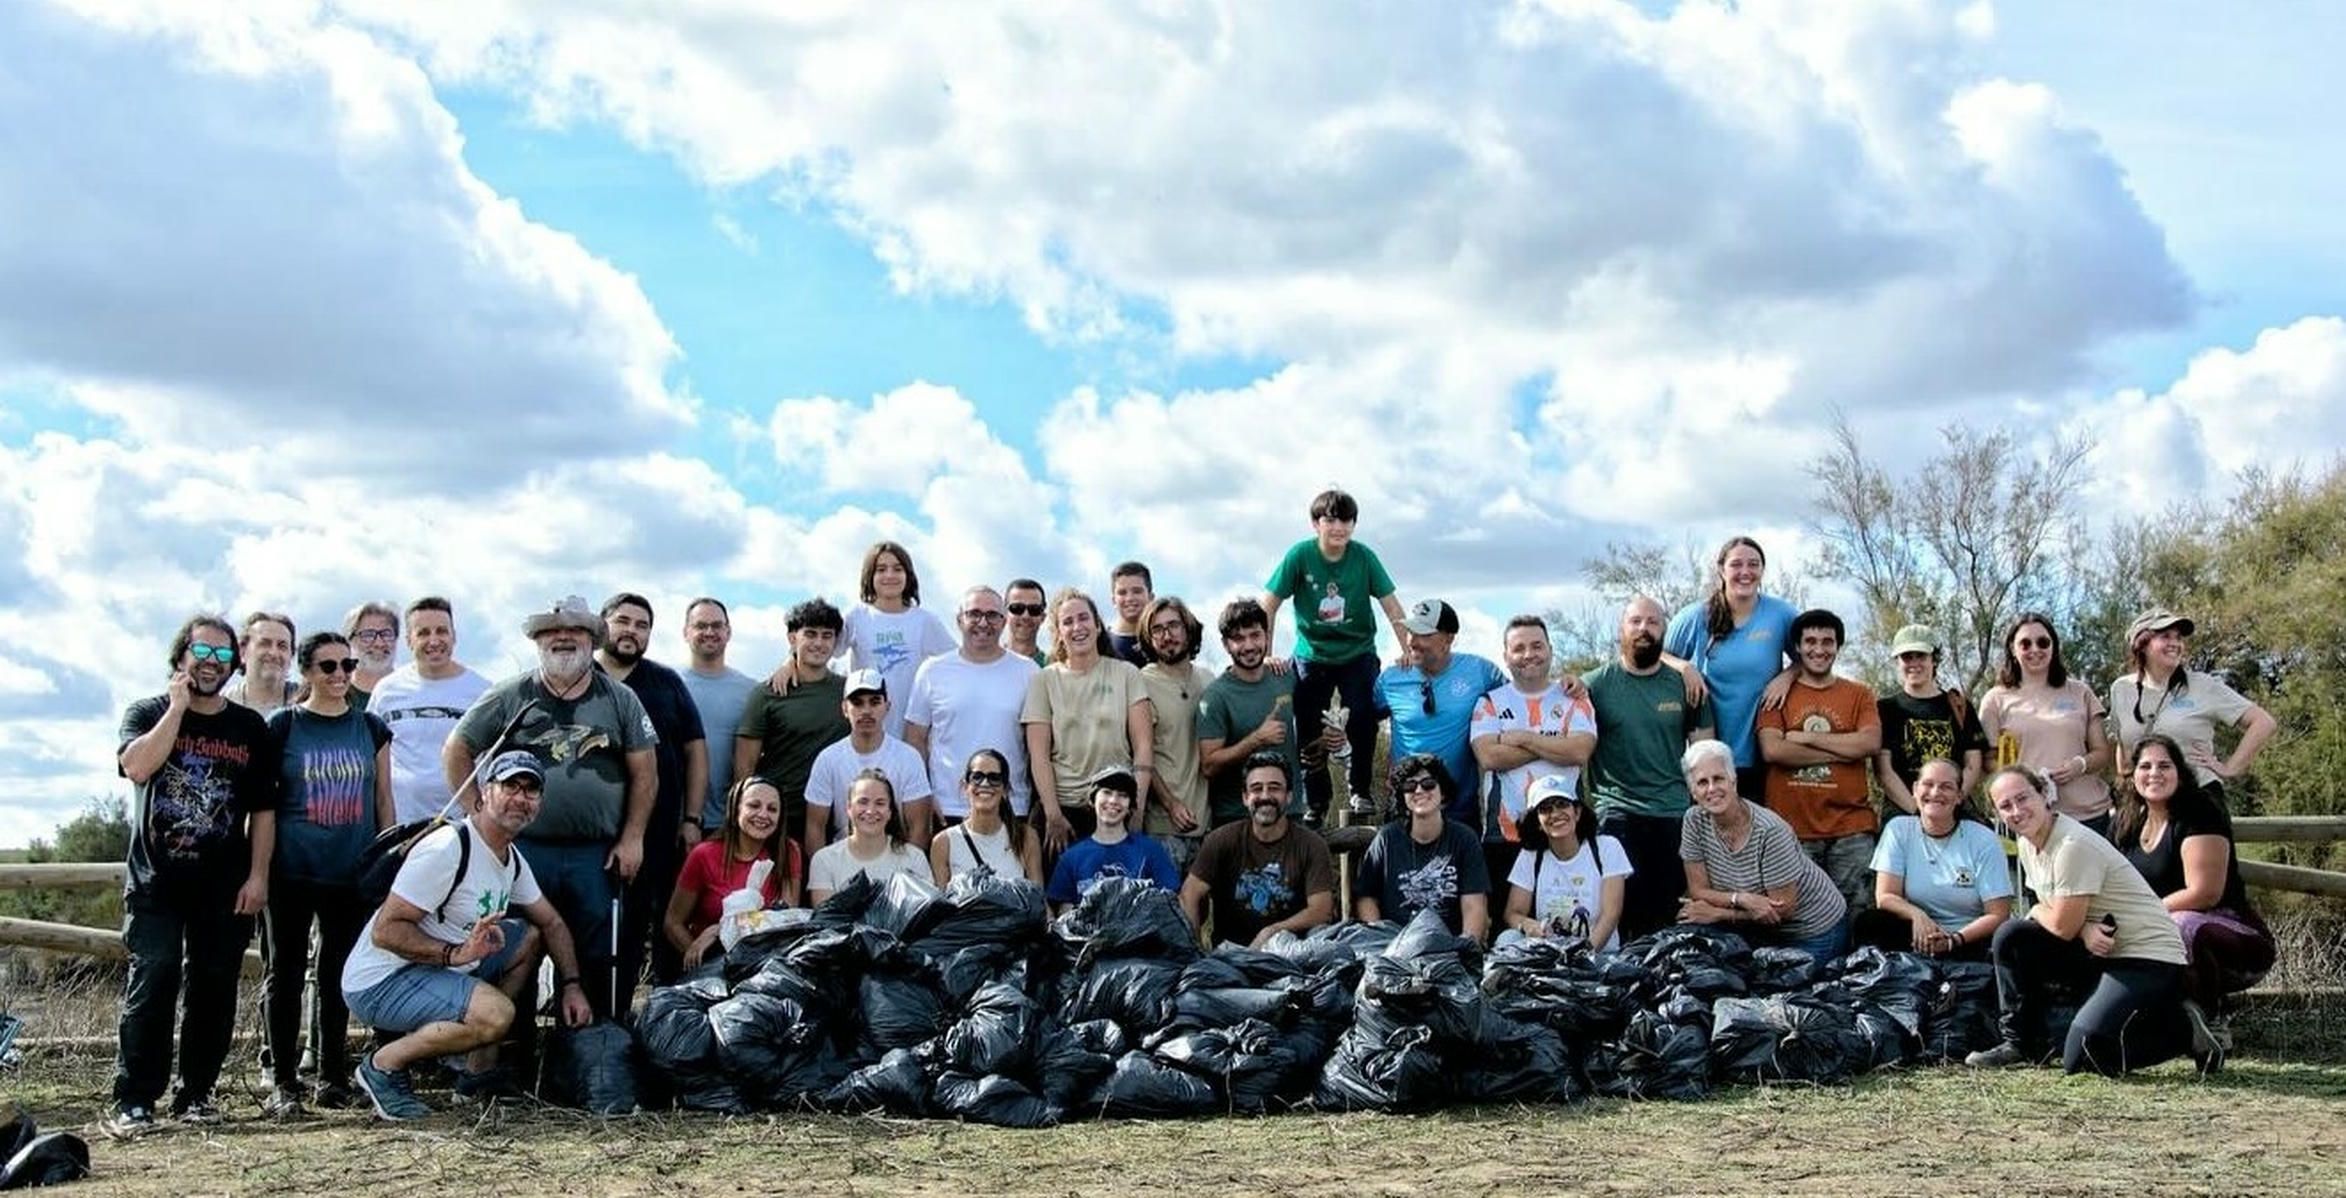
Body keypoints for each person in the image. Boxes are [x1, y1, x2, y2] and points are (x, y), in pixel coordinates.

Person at [341, 752, 595, 1120]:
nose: (520, 799)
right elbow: (386, 931)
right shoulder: (448, 848)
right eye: (510, 786)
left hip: (437, 968)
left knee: (528, 937)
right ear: (483, 793)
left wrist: (571, 984)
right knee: (496, 1015)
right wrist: (453, 954)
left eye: (531, 791)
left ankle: (477, 1075)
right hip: (380, 981)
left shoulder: (510, 858)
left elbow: (552, 923)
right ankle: (382, 1066)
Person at [444, 596, 656, 1022]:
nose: (563, 637)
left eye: (575, 630)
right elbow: (457, 750)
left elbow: (646, 772)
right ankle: (509, 1049)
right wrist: (479, 817)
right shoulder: (510, 694)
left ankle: (583, 1054)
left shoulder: (620, 698)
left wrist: (633, 837)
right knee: (513, 944)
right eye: (551, 630)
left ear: (593, 639)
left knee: (593, 949)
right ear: (538, 640)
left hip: (595, 851)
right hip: (522, 849)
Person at [106, 615, 275, 1137]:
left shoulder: (249, 728)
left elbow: (264, 811)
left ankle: (197, 1094)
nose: (211, 663)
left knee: (214, 988)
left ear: (235, 664)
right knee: (154, 978)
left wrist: (258, 877)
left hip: (224, 884)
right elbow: (137, 767)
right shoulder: (148, 712)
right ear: (181, 655)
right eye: (202, 652)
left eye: (224, 656)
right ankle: (134, 1099)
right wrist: (177, 709)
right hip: (156, 882)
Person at [1968, 765, 2218, 1076]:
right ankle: (2019, 1042)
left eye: (2023, 798)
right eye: (2005, 806)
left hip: (2145, 956)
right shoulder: (2027, 843)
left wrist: (2052, 918)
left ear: (2044, 795)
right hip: (2100, 948)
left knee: (2084, 1056)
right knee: (2011, 936)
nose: (2017, 811)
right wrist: (2082, 927)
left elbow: (2060, 925)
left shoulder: (2072, 845)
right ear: (1997, 813)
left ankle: (2183, 1030)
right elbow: (2055, 910)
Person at [261, 631, 394, 1117]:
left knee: (337, 975)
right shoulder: (283, 726)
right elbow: (265, 804)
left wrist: (387, 859)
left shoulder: (371, 728)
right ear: (307, 672)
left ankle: (332, 1076)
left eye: (347, 665)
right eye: (328, 667)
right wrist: (259, 869)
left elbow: (383, 799)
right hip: (291, 872)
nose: (340, 675)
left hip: (351, 872)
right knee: (286, 974)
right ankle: (283, 1079)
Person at [1261, 487, 1412, 821]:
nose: (1339, 527)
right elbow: (1268, 604)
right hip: (1312, 654)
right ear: (1316, 524)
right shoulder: (1300, 556)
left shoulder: (1363, 557)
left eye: (1346, 520)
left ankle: (1359, 789)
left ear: (1354, 525)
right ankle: (1316, 800)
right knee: (1308, 723)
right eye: (1331, 520)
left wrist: (1408, 648)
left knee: (1363, 715)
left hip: (1357, 651)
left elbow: (1391, 605)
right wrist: (1266, 654)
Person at [2116, 734, 2274, 1039]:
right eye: (2145, 766)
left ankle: (2212, 1021)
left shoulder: (2201, 813)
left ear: (2180, 771)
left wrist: (2140, 916)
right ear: (2132, 774)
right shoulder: (2126, 822)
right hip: (2152, 925)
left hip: (2229, 933)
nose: (2154, 774)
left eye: (2164, 765)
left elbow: (2204, 892)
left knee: (2181, 925)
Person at [1583, 595, 1718, 941]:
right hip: (1616, 812)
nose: (1644, 629)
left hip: (1673, 811)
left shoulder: (1688, 685)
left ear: (1664, 631)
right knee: (1619, 914)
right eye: (1636, 621)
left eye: (1653, 622)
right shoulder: (1594, 685)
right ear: (1621, 629)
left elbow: (1704, 752)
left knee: (1666, 916)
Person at [597, 592, 708, 998]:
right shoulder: (583, 678)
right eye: (623, 621)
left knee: (660, 923)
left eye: (642, 625)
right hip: (596, 831)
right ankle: (597, 1018)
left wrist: (691, 818)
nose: (631, 631)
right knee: (599, 929)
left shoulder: (666, 683)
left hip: (660, 832)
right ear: (602, 623)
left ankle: (665, 1015)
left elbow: (696, 751)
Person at [1755, 609, 1882, 914]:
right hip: (1792, 828)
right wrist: (1841, 750)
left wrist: (1802, 738)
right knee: (1799, 915)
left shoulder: (1859, 694)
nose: (1819, 649)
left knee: (1858, 912)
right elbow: (1773, 750)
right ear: (1797, 648)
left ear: (1838, 646)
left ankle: (1858, 965)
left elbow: (1869, 743)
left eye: (1828, 642)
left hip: (1851, 827)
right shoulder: (1777, 693)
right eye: (1810, 641)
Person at [1676, 739, 1848, 961]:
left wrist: (1719, 913)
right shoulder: (1693, 820)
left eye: (1718, 778)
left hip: (1811, 930)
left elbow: (1781, 910)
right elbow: (1698, 890)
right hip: (1755, 927)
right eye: (1702, 782)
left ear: (1733, 780)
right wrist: (1742, 899)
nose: (1712, 789)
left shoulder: (1770, 831)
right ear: (1693, 791)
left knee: (1780, 991)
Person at [1020, 588, 1154, 855]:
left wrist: (1135, 810)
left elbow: (1143, 746)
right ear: (1058, 632)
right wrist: (1052, 814)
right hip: (1063, 813)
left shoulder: (1126, 673)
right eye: (1067, 622)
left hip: (1116, 807)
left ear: (1097, 625)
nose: (1077, 627)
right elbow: (1039, 755)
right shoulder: (1044, 680)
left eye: (1083, 618)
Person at [1664, 536, 1796, 800]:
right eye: (1736, 565)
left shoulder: (1781, 614)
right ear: (1721, 570)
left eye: (1753, 564)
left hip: (1763, 751)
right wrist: (1685, 668)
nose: (1745, 572)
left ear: (1762, 570)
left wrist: (1787, 676)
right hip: (1710, 756)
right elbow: (1659, 656)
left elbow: (1810, 655)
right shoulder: (1695, 616)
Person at [1470, 614, 1597, 885]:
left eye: (1537, 646)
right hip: (1505, 836)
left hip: (1565, 834)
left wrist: (1522, 738)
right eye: (1519, 648)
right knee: (1508, 924)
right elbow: (1489, 756)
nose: (1529, 654)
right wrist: (1556, 743)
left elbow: (1579, 752)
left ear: (1550, 649)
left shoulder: (1574, 698)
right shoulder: (1489, 702)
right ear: (1505, 655)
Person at [904, 586, 1040, 827]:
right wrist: (925, 795)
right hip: (947, 809)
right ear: (959, 619)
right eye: (974, 614)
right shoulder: (932, 670)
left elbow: (1037, 745)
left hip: (1010, 807)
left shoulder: (1028, 671)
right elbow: (915, 739)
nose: (983, 622)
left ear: (1004, 621)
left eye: (992, 615)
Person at [2108, 610, 2277, 802]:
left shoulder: (2203, 685)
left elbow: (2263, 722)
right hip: (2146, 801)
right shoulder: (2121, 689)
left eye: (2178, 638)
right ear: (2142, 644)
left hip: (2197, 797)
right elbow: (2123, 747)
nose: (2175, 644)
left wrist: (2230, 768)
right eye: (2165, 636)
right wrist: (2126, 788)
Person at [1851, 759, 2011, 959]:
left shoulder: (1983, 838)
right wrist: (1917, 915)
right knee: (1870, 922)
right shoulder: (1899, 829)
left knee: (2008, 937)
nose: (1935, 793)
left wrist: (1953, 940)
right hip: (1918, 933)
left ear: (1959, 796)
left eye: (1946, 787)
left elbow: (1998, 914)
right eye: (1928, 784)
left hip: (1968, 937)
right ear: (1915, 790)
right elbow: (1885, 897)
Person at [1179, 752, 1337, 948]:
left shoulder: (1311, 845)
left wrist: (1271, 932)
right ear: (1245, 797)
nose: (1265, 796)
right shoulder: (1221, 840)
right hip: (1230, 960)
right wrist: (1194, 951)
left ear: (1289, 796)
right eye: (1256, 789)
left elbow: (1321, 911)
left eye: (1274, 788)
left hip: (1292, 958)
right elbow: (1189, 894)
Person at [734, 598, 852, 856]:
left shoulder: (848, 691)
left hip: (835, 816)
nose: (819, 643)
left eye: (827, 635)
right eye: (810, 634)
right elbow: (745, 764)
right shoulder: (767, 693)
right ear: (792, 638)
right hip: (779, 816)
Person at [1980, 613, 2114, 836]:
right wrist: (2027, 779)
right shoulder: (1994, 700)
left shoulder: (2081, 692)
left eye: (2043, 642)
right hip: (2028, 821)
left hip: (2088, 817)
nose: (2035, 649)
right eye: (2025, 643)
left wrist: (2079, 765)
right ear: (2013, 649)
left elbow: (2101, 753)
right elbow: (1989, 761)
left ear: (2054, 646)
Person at [1375, 600, 1506, 829]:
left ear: (1448, 639)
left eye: (1423, 634)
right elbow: (1362, 724)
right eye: (1411, 633)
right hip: (1404, 808)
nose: (1412, 642)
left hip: (1461, 812)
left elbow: (1522, 698)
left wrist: (1568, 687)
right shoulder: (1391, 679)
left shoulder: (1481, 672)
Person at [368, 597, 491, 824]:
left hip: (463, 826)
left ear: (454, 636)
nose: (434, 640)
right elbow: (372, 759)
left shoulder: (483, 692)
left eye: (441, 631)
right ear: (408, 641)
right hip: (402, 826)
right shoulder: (386, 691)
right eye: (423, 632)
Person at [665, 777, 802, 970]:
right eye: (754, 806)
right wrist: (701, 961)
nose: (763, 814)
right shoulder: (704, 855)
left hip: (766, 966)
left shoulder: (788, 851)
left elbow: (785, 920)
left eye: (772, 809)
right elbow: (673, 923)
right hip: (713, 965)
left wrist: (717, 930)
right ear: (736, 809)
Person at [1354, 754, 1491, 941]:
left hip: (1449, 947)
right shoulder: (1386, 839)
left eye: (1428, 784)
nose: (1419, 790)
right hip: (1395, 946)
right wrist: (1381, 941)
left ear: (1442, 792)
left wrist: (1467, 948)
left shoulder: (1465, 839)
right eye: (1410, 786)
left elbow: (1474, 904)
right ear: (1403, 797)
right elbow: (1366, 897)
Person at [804, 670, 935, 853]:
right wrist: (824, 872)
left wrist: (906, 875)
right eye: (857, 703)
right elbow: (814, 827)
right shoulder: (828, 759)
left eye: (874, 702)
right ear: (844, 709)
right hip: (843, 859)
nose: (866, 711)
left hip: (896, 858)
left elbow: (919, 827)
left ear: (887, 706)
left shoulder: (908, 758)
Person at [838, 540, 957, 738]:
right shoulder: (856, 616)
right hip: (865, 733)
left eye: (897, 569)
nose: (890, 575)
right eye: (881, 569)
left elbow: (957, 660)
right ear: (870, 576)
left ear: (908, 575)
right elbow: (823, 651)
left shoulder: (924, 620)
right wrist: (790, 662)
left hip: (911, 734)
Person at [1500, 776, 1631, 951]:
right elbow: (1512, 913)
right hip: (1548, 955)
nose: (1555, 814)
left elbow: (1611, 914)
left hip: (1599, 955)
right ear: (1537, 822)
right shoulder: (1530, 856)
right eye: (1545, 809)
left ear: (1577, 812)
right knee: (1507, 938)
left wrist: (1584, 956)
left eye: (1562, 805)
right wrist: (1527, 924)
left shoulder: (1607, 847)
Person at [1874, 624, 1986, 811]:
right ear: (1898, 662)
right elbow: (1884, 771)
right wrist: (1918, 811)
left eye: (1921, 656)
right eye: (1907, 657)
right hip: (1903, 810)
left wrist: (1950, 804)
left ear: (1934, 659)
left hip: (1954, 809)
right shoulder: (1885, 709)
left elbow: (1973, 764)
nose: (1914, 663)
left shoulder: (1960, 706)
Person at [1136, 596, 1210, 872]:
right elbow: (1139, 754)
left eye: (1174, 626)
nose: (1167, 636)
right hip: (1162, 826)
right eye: (1157, 629)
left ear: (1188, 628)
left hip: (1206, 821)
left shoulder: (1207, 678)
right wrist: (1170, 804)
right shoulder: (1141, 683)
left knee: (1198, 912)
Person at [1045, 768, 1182, 911]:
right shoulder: (1071, 857)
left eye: (1122, 795)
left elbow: (1169, 901)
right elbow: (1063, 911)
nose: (1113, 801)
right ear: (1092, 800)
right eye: (1107, 792)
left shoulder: (1150, 851)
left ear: (1131, 806)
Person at [678, 597, 759, 835]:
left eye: (716, 625)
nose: (709, 632)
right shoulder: (669, 685)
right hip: (674, 820)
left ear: (728, 632)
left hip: (729, 822)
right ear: (686, 632)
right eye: (701, 626)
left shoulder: (751, 691)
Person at [806, 770, 936, 903]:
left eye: (880, 803)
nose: (870, 811)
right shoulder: (824, 860)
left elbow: (925, 914)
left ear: (890, 811)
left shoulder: (914, 858)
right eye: (863, 802)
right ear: (849, 808)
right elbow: (825, 919)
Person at [928, 748, 1044, 886]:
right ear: (965, 786)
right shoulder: (943, 842)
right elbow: (942, 901)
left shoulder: (1026, 837)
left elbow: (1038, 896)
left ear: (1005, 789)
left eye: (994, 778)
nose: (985, 784)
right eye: (977, 777)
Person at [225, 611, 298, 716]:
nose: (274, 653)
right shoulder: (222, 706)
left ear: (291, 656)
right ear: (242, 651)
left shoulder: (310, 703)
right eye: (265, 644)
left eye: (282, 646)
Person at [343, 601, 401, 711]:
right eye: (368, 635)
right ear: (349, 641)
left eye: (386, 634)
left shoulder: (412, 691)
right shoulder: (334, 693)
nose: (379, 643)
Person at [1106, 561, 1156, 667]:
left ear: (1151, 597)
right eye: (1122, 593)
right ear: (1113, 600)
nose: (1130, 598)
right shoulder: (1102, 644)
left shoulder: (1163, 640)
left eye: (1137, 591)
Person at [1004, 577, 1050, 667]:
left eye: (1034, 609)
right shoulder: (986, 662)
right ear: (1004, 614)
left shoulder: (1053, 670)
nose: (1025, 616)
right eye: (1017, 608)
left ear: (1043, 617)